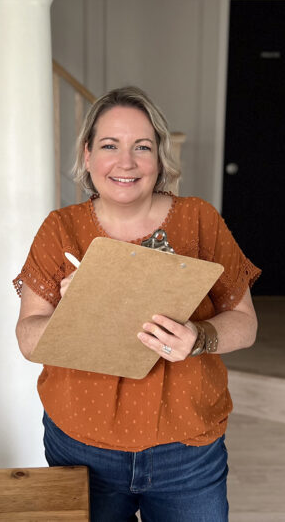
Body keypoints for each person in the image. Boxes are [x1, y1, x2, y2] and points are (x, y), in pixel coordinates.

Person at [13, 86, 260, 521]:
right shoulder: (60, 229)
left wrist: (199, 338)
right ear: (88, 156)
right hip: (81, 446)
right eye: (110, 145)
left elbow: (245, 323)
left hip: (187, 448)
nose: (125, 162)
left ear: (160, 158)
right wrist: (80, 311)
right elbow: (29, 340)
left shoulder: (199, 219)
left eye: (141, 147)